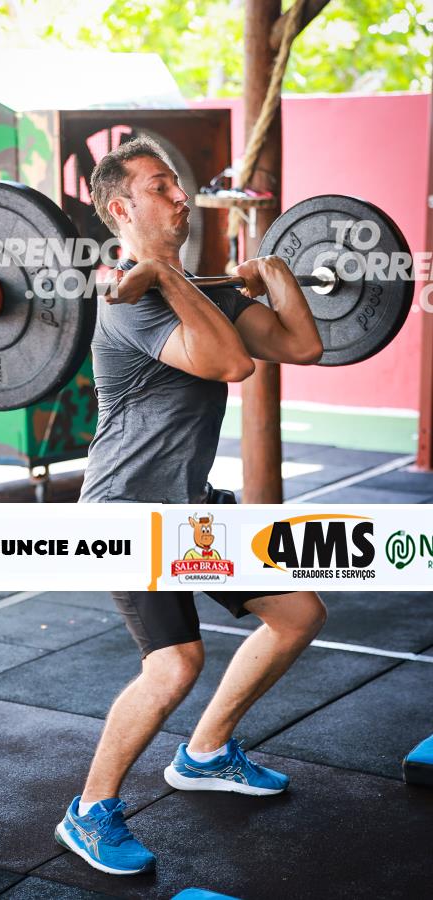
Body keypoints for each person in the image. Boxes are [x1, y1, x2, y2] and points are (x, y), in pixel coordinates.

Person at [55, 137, 327, 876]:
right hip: (128, 514)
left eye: (178, 184)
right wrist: (166, 278)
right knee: (174, 664)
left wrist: (277, 277)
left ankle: (205, 753)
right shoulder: (129, 300)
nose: (181, 197)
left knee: (298, 614)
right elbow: (231, 363)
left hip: (191, 506)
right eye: (160, 187)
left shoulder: (199, 290)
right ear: (120, 209)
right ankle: (89, 811)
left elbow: (301, 346)